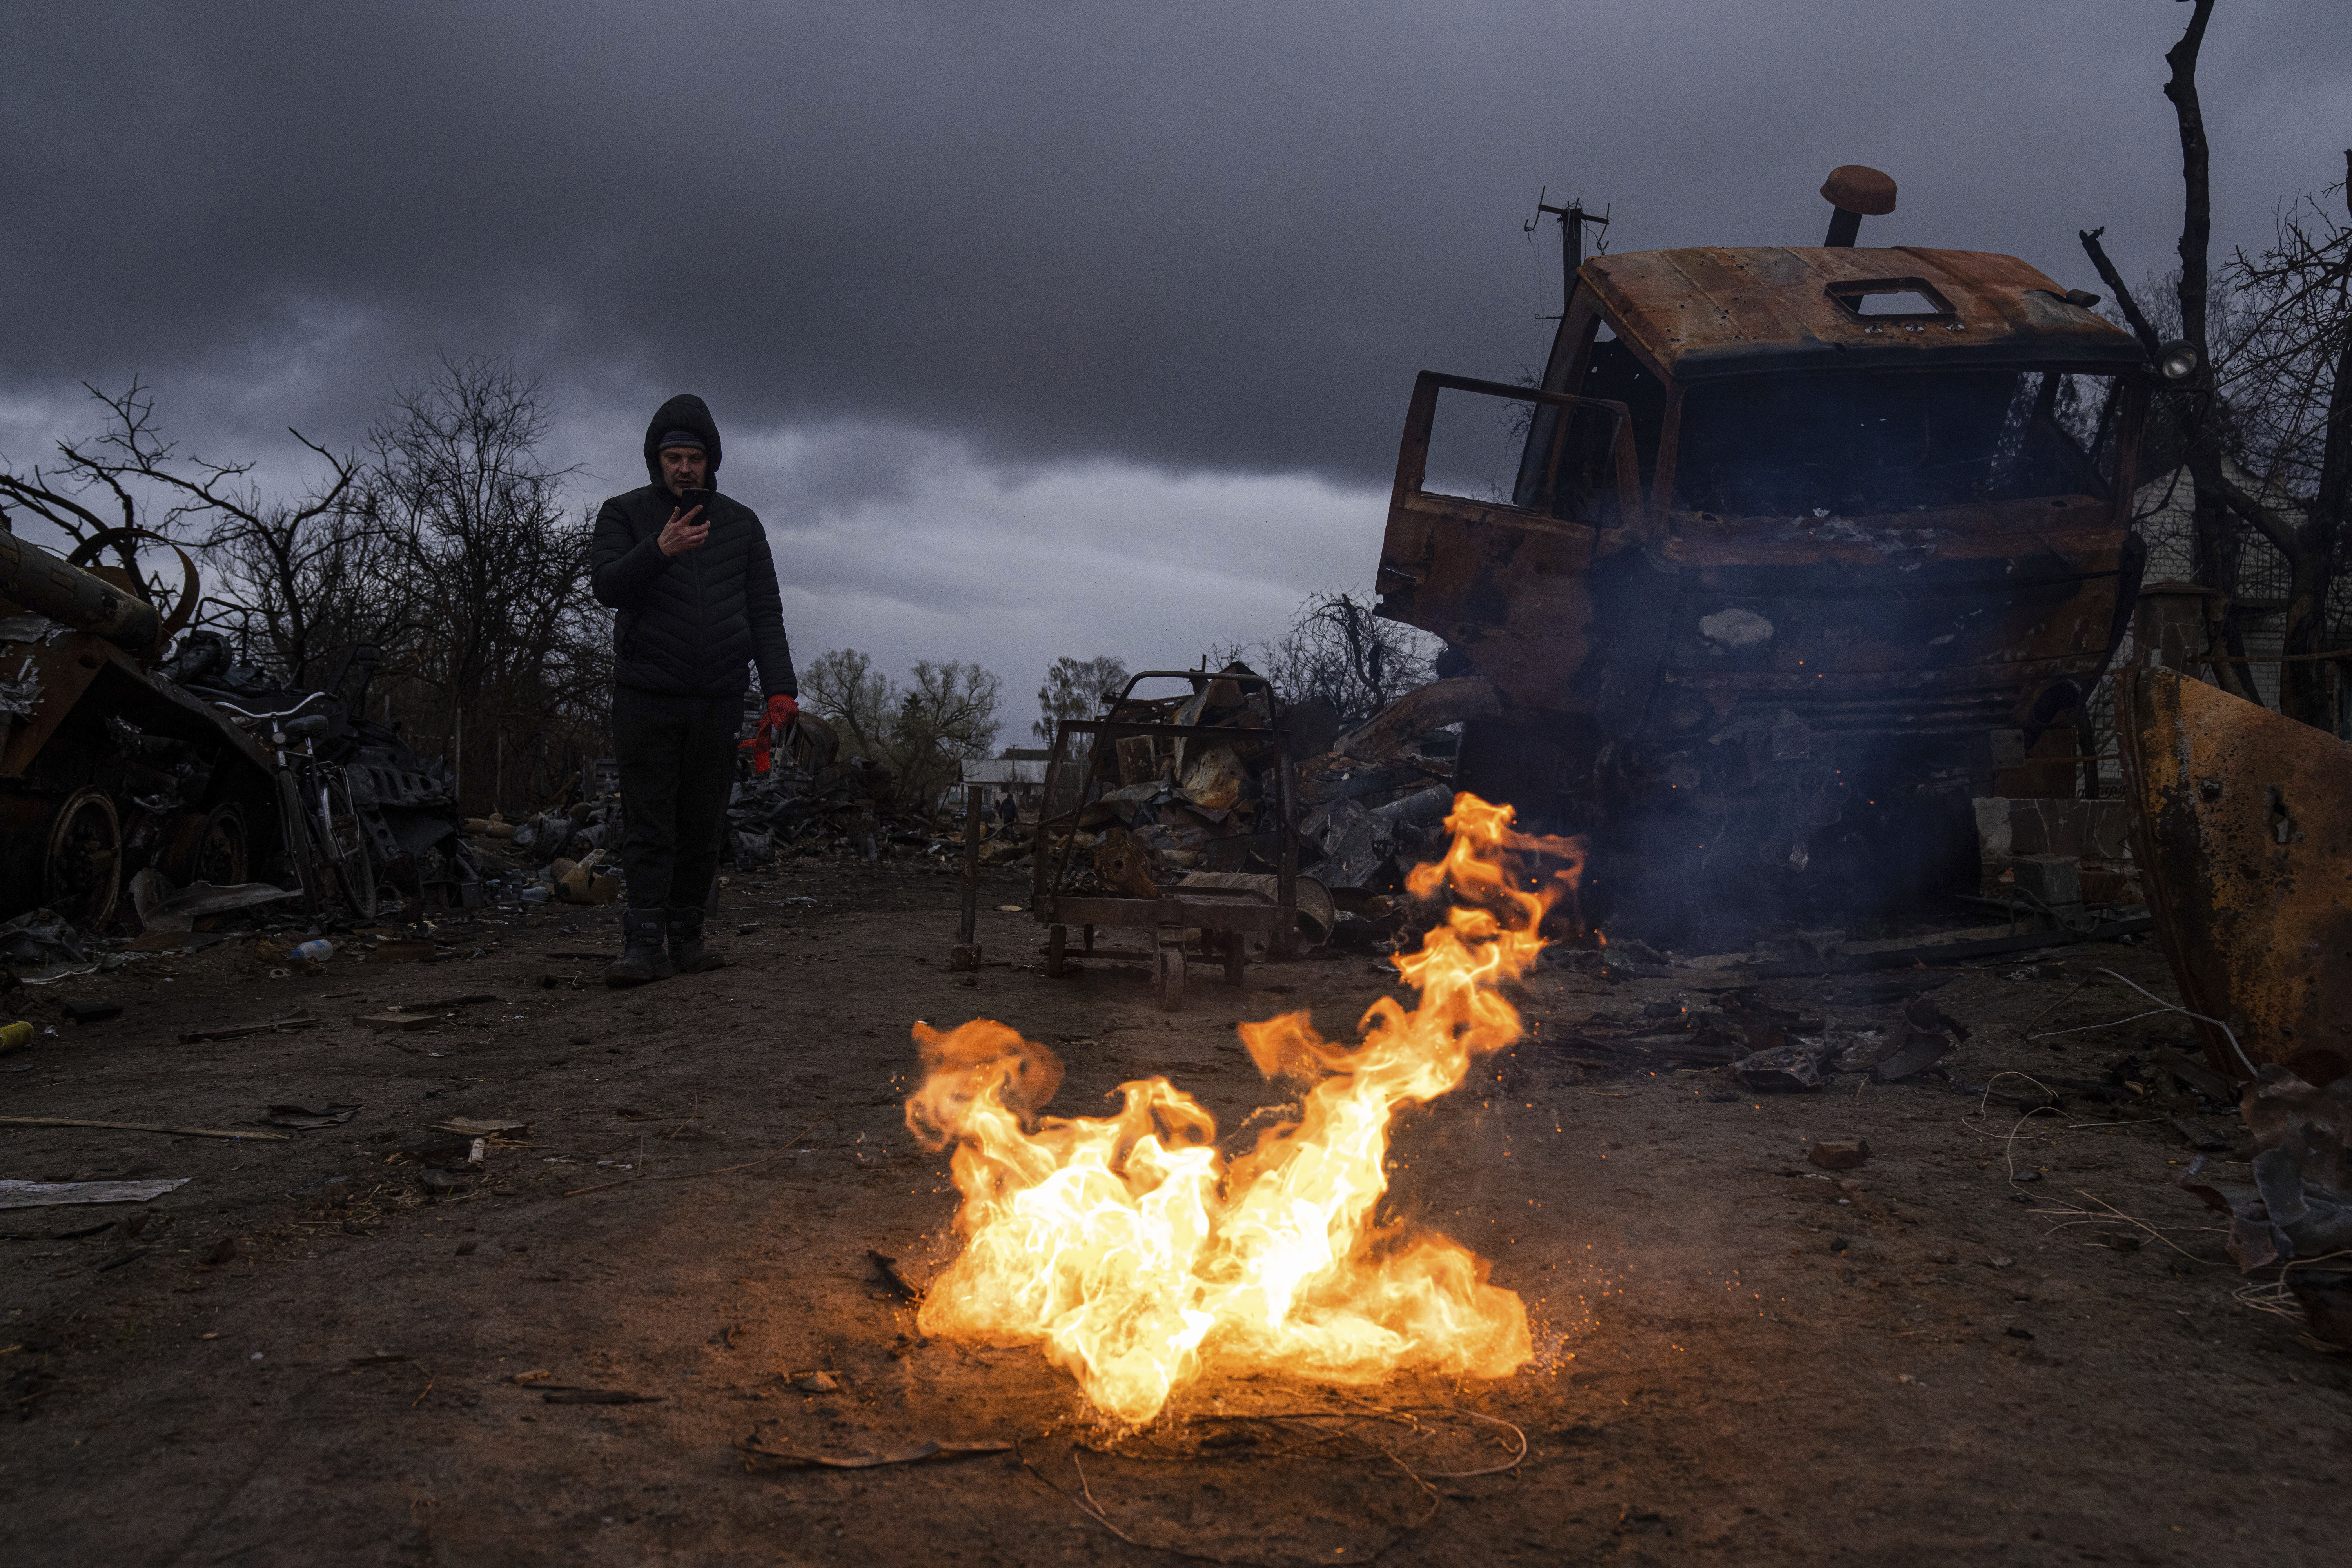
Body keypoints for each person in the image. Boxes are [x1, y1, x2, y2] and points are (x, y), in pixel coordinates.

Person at [590, 394, 797, 986]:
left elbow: (765, 611)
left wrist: (780, 689)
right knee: (649, 822)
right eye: (673, 457)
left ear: (711, 463)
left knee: (703, 823)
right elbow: (606, 586)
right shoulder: (625, 514)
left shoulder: (741, 524)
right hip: (647, 694)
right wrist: (659, 550)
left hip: (718, 695)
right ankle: (642, 944)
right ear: (657, 462)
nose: (684, 468)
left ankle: (687, 939)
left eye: (695, 458)